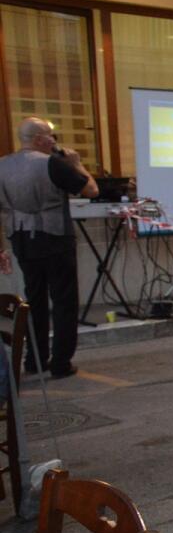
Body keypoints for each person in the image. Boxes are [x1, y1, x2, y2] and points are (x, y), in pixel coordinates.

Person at [0, 117, 96, 378]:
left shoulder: (3, 165)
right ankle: (61, 362)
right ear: (39, 139)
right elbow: (91, 190)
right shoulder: (52, 163)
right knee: (64, 300)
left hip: (21, 237)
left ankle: (35, 360)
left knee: (34, 298)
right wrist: (76, 163)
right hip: (54, 236)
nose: (54, 140)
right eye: (51, 135)